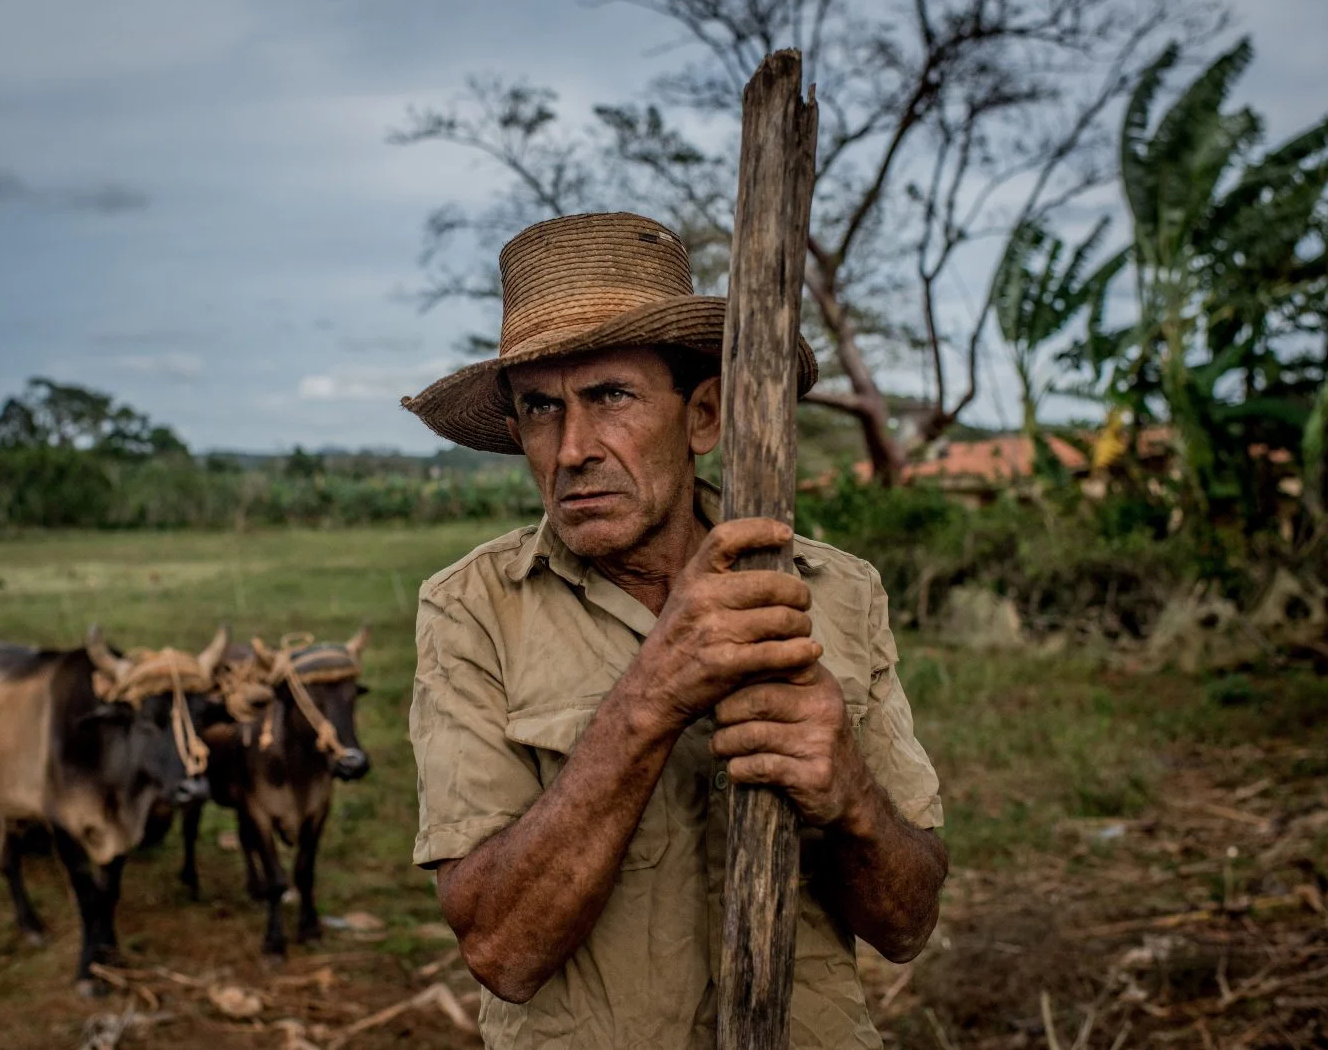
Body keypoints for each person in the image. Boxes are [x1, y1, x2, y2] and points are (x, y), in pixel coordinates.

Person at [401, 212, 947, 1049]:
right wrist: (653, 694)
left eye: (611, 397)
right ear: (517, 437)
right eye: (542, 410)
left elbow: (907, 924)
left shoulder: (833, 592)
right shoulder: (473, 609)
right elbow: (502, 950)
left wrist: (853, 800)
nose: (574, 447)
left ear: (703, 418)